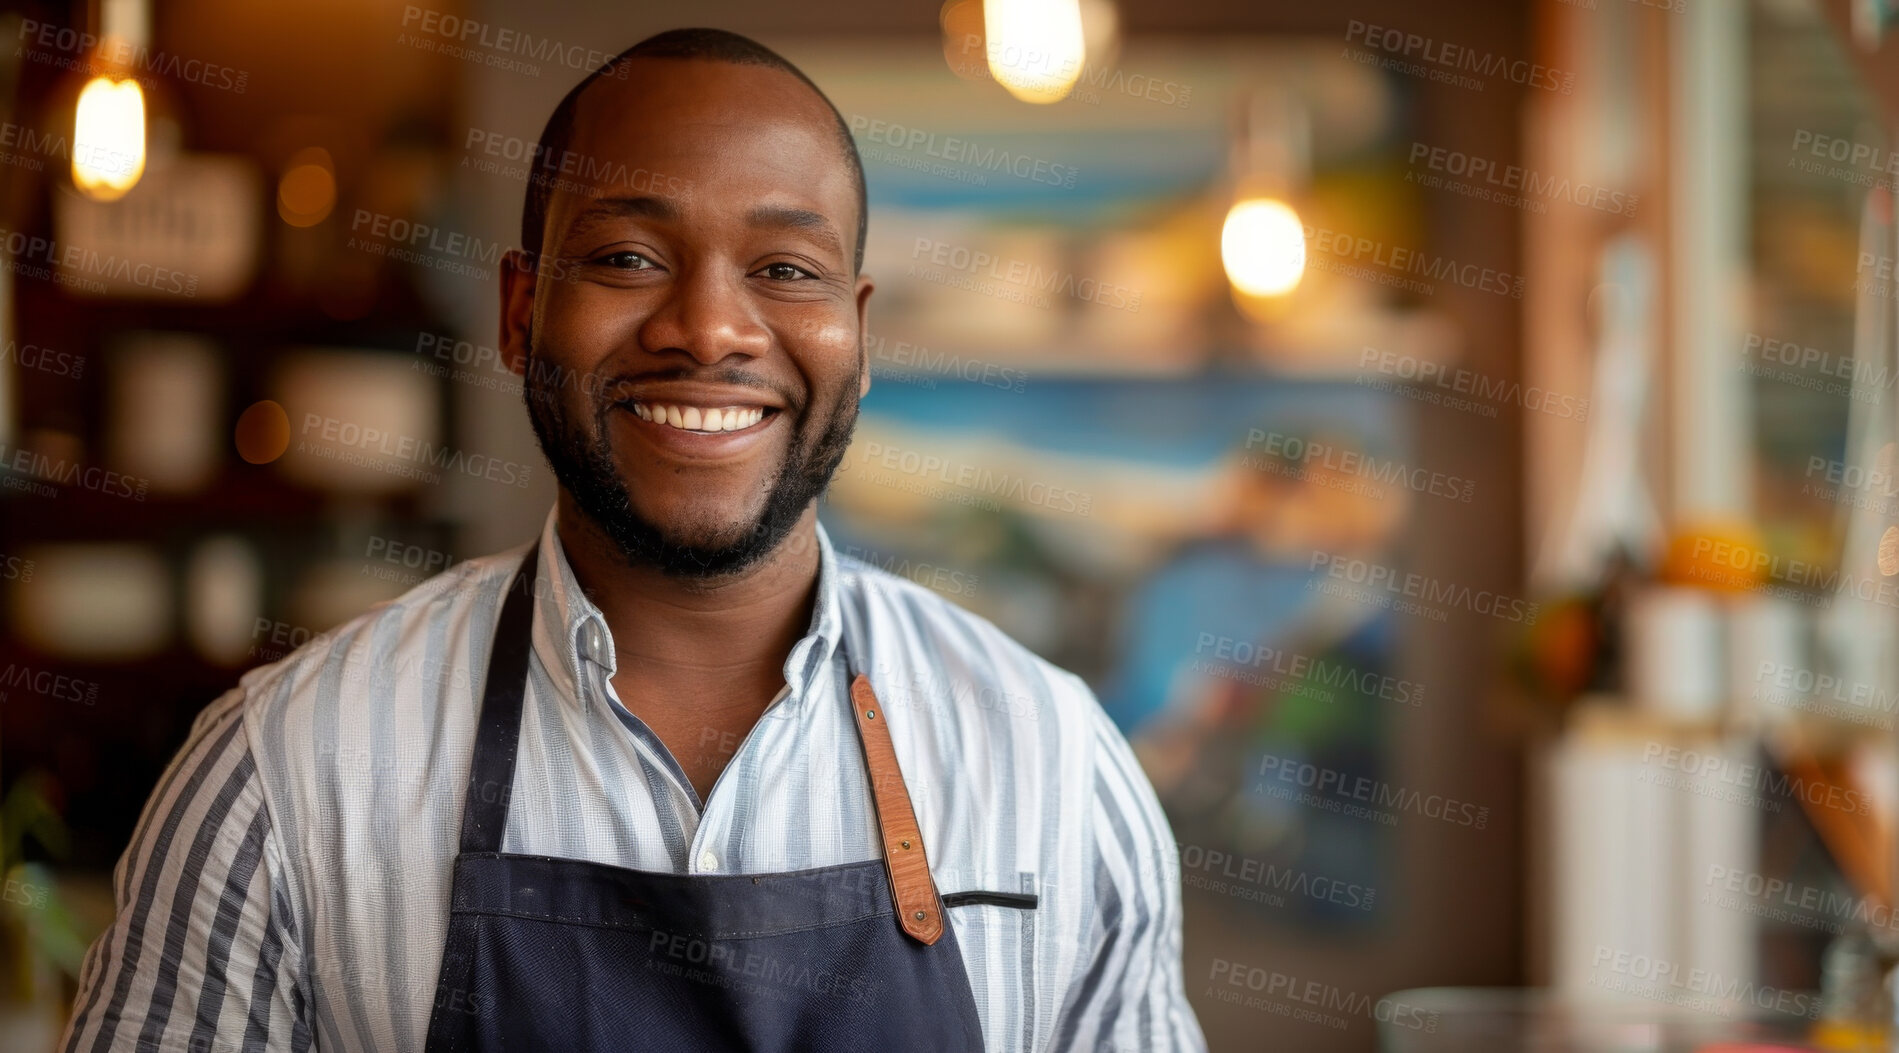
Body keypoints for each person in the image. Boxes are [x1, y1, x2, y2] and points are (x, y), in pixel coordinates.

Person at [59, 27, 1205, 1053]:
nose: (708, 326)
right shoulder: (282, 774)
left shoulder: (1057, 767)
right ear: (520, 314)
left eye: (784, 270)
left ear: (855, 335)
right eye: (626, 258)